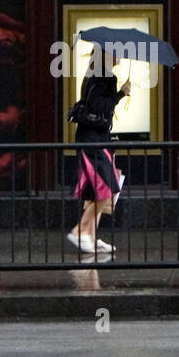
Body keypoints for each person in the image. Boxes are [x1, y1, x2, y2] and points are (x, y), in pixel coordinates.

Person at [66, 46, 131, 290]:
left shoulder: (95, 74)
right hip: (92, 139)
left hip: (94, 138)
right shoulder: (102, 76)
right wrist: (121, 93)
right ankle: (80, 231)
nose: (120, 58)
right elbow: (99, 106)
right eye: (116, 54)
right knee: (104, 187)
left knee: (104, 186)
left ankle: (91, 236)